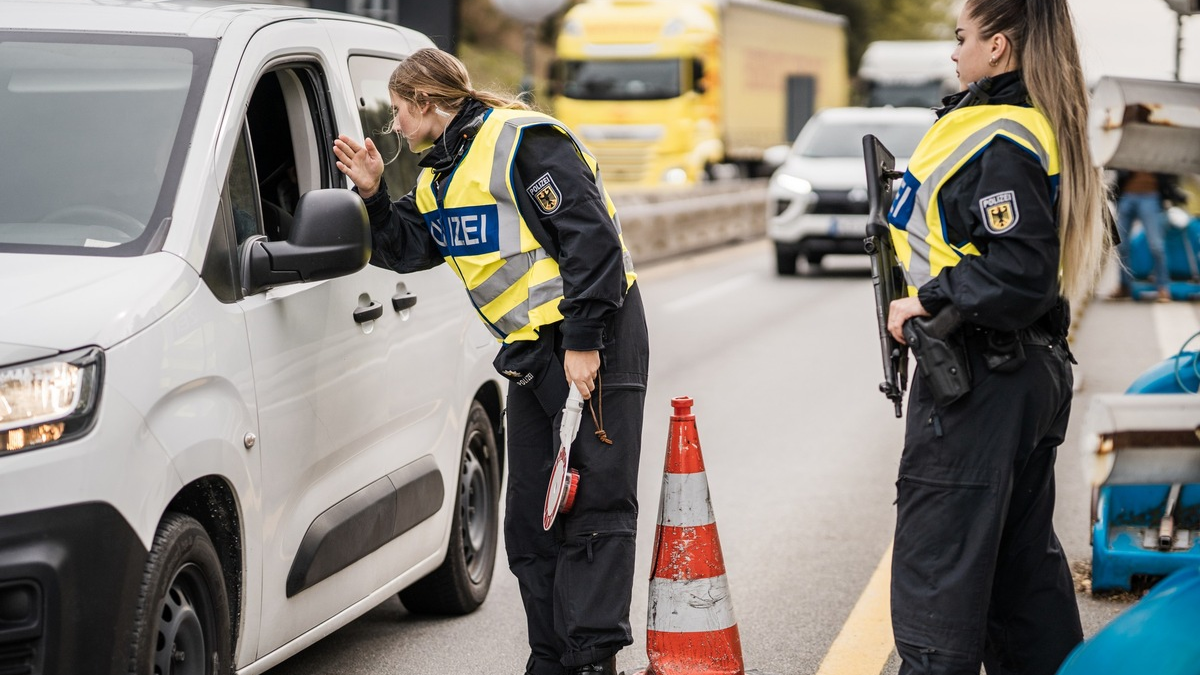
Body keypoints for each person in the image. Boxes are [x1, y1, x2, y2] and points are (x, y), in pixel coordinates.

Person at [332, 48, 648, 675]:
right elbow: (406, 247)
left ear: (426, 101)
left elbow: (593, 242)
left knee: (593, 506)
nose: (394, 126)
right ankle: (551, 658)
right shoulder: (436, 178)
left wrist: (585, 343)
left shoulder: (520, 142)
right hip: (532, 355)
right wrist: (371, 194)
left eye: (398, 110)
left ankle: (591, 660)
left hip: (594, 337)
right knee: (531, 518)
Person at [882, 1, 1110, 673]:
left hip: (980, 377)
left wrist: (928, 298)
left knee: (938, 596)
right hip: (1018, 374)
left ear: (1000, 47)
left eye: (962, 38)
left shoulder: (999, 134)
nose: (954, 54)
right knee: (1021, 595)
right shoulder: (1018, 122)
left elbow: (1020, 268)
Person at [1110, 170, 1187, 301]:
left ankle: (1163, 287)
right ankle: (1124, 286)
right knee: (1121, 245)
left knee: (1156, 245)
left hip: (1151, 196)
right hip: (1126, 195)